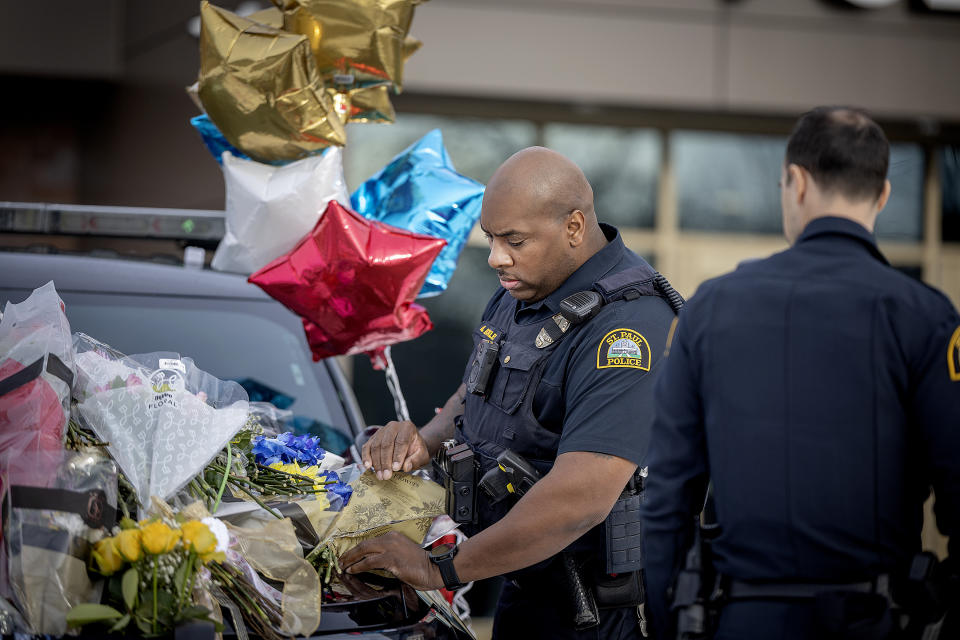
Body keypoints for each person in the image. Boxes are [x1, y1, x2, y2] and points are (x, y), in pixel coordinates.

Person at [640, 106, 960, 639]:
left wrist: (670, 616)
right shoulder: (926, 317)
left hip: (742, 620)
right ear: (882, 196)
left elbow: (668, 493)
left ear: (796, 182)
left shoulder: (709, 308)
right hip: (876, 621)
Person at [339, 147, 680, 639]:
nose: (497, 257)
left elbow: (580, 497)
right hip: (525, 590)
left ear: (575, 227)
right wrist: (425, 441)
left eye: (515, 240)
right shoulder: (522, 288)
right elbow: (477, 387)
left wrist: (441, 570)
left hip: (597, 618)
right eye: (491, 238)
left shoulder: (627, 329)